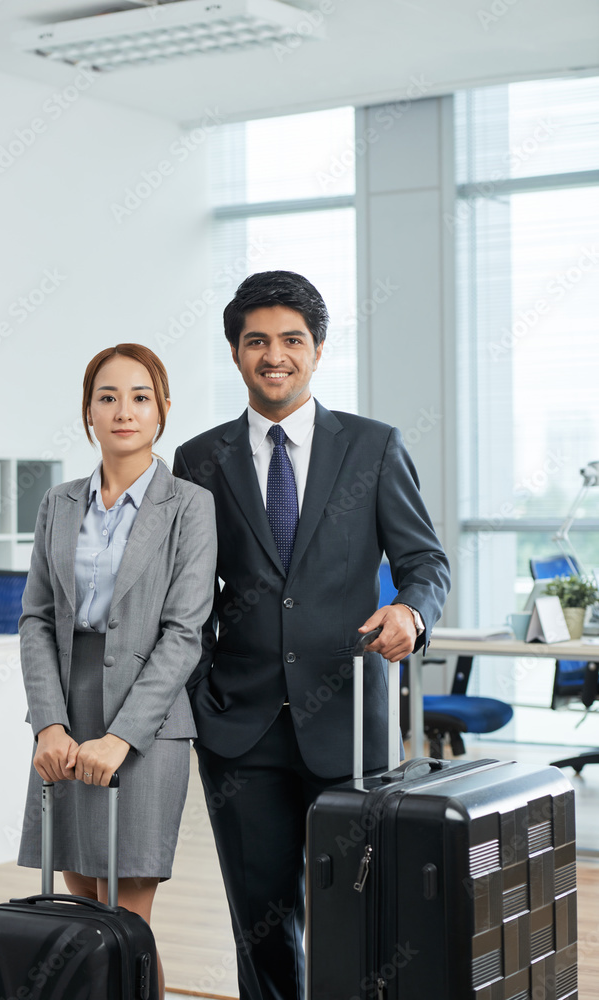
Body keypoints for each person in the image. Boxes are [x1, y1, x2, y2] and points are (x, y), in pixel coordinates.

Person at [173, 271, 451, 1000]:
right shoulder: (199, 459)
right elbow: (189, 593)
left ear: (317, 350)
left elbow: (424, 561)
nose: (274, 355)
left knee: (360, 912)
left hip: (350, 720)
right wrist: (201, 697)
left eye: (291, 340)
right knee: (261, 922)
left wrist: (411, 613)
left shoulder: (373, 446)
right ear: (235, 352)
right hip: (240, 726)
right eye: (256, 340)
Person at [17, 343, 216, 998]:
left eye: (139, 397)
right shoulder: (59, 503)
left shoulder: (189, 504)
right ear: (88, 414)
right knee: (80, 912)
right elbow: (38, 619)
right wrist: (48, 722)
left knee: (127, 917)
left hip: (145, 726)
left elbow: (185, 632)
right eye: (107, 396)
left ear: (161, 411)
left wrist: (122, 737)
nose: (122, 410)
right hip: (66, 723)